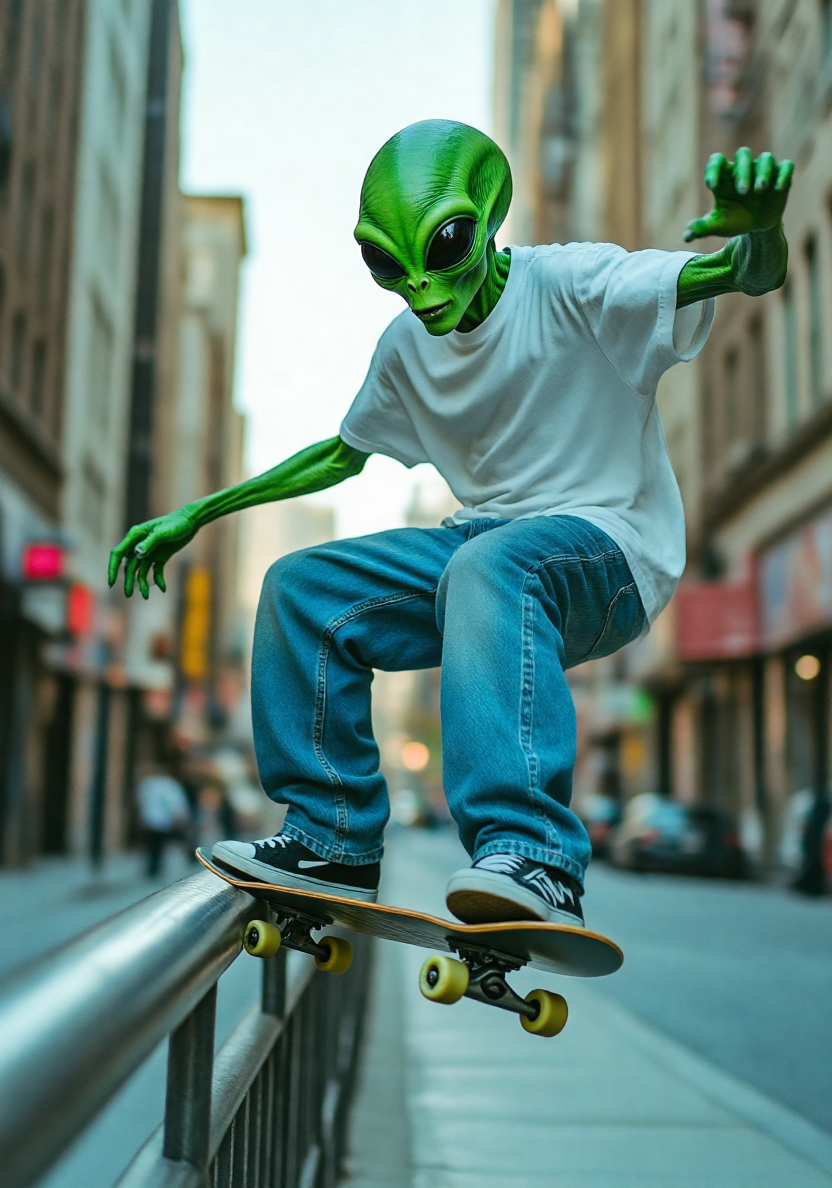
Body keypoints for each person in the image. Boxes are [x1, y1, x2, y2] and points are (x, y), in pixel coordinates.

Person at [110, 121, 792, 925]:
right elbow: (340, 454)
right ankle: (332, 842)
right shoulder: (405, 348)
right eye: (393, 270)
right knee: (301, 589)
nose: (425, 296)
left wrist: (761, 233)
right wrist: (201, 511)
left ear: (488, 219)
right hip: (483, 548)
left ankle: (535, 859)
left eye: (445, 254)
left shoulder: (577, 283)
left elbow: (741, 276)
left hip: (613, 552)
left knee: (491, 565)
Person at [137, 768, 192, 878]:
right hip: (163, 822)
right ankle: (156, 868)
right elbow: (175, 805)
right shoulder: (170, 786)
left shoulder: (148, 785)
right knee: (160, 846)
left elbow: (141, 801)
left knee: (152, 846)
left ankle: (152, 868)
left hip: (151, 821)